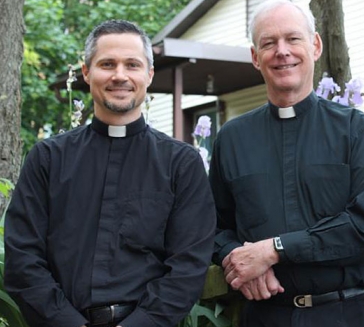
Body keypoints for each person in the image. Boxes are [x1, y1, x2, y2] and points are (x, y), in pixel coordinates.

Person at [4, 20, 216, 327]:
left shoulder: (181, 164)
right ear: (87, 72)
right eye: (107, 64)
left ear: (149, 75)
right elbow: (23, 258)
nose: (120, 75)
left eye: (132, 64)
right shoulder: (47, 159)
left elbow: (188, 267)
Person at [209, 0, 364, 327]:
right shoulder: (232, 139)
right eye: (268, 43)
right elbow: (214, 227)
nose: (282, 51)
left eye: (293, 39)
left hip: (350, 312)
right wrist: (235, 258)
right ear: (255, 57)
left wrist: (274, 249)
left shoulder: (356, 130)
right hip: (267, 316)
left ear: (315, 45)